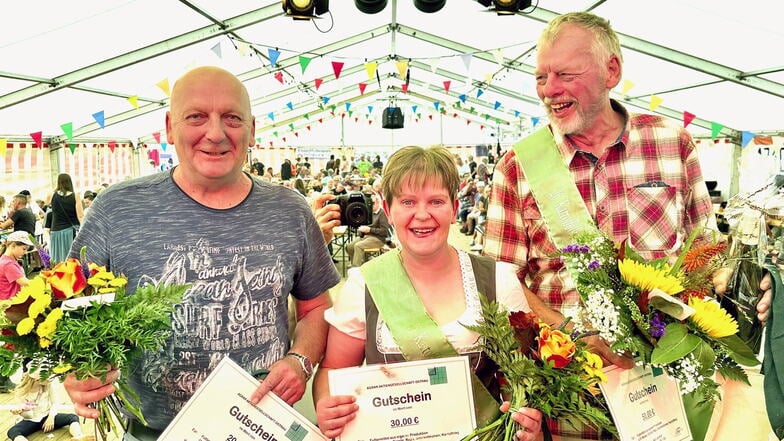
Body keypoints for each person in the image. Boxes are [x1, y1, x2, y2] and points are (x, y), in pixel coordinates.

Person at [482, 11, 771, 440]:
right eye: (541, 76)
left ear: (611, 70)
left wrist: (749, 283)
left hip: (665, 387)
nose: (549, 90)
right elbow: (499, 281)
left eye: (565, 74)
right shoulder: (519, 165)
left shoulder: (672, 144)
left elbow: (706, 254)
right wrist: (572, 334)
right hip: (568, 395)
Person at [61, 66, 340, 440]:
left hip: (260, 427)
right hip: (151, 432)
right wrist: (79, 369)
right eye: (196, 117)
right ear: (169, 127)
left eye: (232, 118)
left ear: (252, 129)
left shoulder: (289, 210)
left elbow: (316, 307)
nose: (215, 133)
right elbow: (71, 309)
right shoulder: (118, 209)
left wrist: (300, 361)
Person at [312, 145, 543, 441]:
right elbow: (333, 369)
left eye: (436, 201)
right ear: (387, 209)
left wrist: (527, 420)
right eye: (408, 202)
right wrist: (326, 407)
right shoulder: (364, 285)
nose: (422, 215)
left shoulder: (499, 280)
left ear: (454, 207)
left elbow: (521, 381)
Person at [6, 371, 94, 441]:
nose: (49, 380)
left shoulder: (48, 386)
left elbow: (55, 403)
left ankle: (79, 436)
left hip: (47, 416)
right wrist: (21, 411)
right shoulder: (21, 391)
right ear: (37, 379)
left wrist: (51, 418)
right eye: (47, 378)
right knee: (13, 432)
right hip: (31, 420)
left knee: (72, 417)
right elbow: (28, 416)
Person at [46, 173, 83, 265]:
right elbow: (80, 216)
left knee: (57, 259)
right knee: (72, 259)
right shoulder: (75, 196)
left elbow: (46, 203)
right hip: (70, 231)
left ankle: (58, 276)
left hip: (55, 231)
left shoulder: (52, 195)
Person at [345, 193, 390, 267]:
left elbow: (384, 231)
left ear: (378, 203)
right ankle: (357, 263)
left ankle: (356, 269)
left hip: (378, 239)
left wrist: (370, 230)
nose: (370, 205)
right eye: (369, 203)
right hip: (366, 236)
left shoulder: (382, 213)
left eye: (373, 203)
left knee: (358, 246)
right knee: (349, 246)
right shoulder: (369, 212)